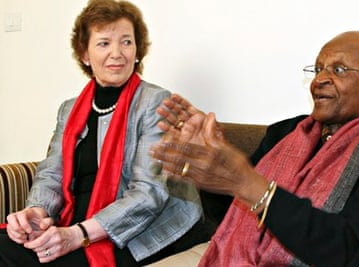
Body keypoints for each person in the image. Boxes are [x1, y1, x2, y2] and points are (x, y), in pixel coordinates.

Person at [150, 31, 359, 266]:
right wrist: (211, 167)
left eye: (338, 69)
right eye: (318, 69)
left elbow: (345, 246)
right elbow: (228, 216)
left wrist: (252, 186)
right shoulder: (288, 133)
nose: (319, 79)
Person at [0, 0, 209, 266]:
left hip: (143, 227)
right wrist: (36, 213)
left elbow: (149, 194)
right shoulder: (70, 109)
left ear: (137, 51)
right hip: (79, 220)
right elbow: (51, 173)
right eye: (104, 43)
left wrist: (78, 235)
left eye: (126, 42)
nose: (117, 53)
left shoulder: (157, 103)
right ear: (85, 55)